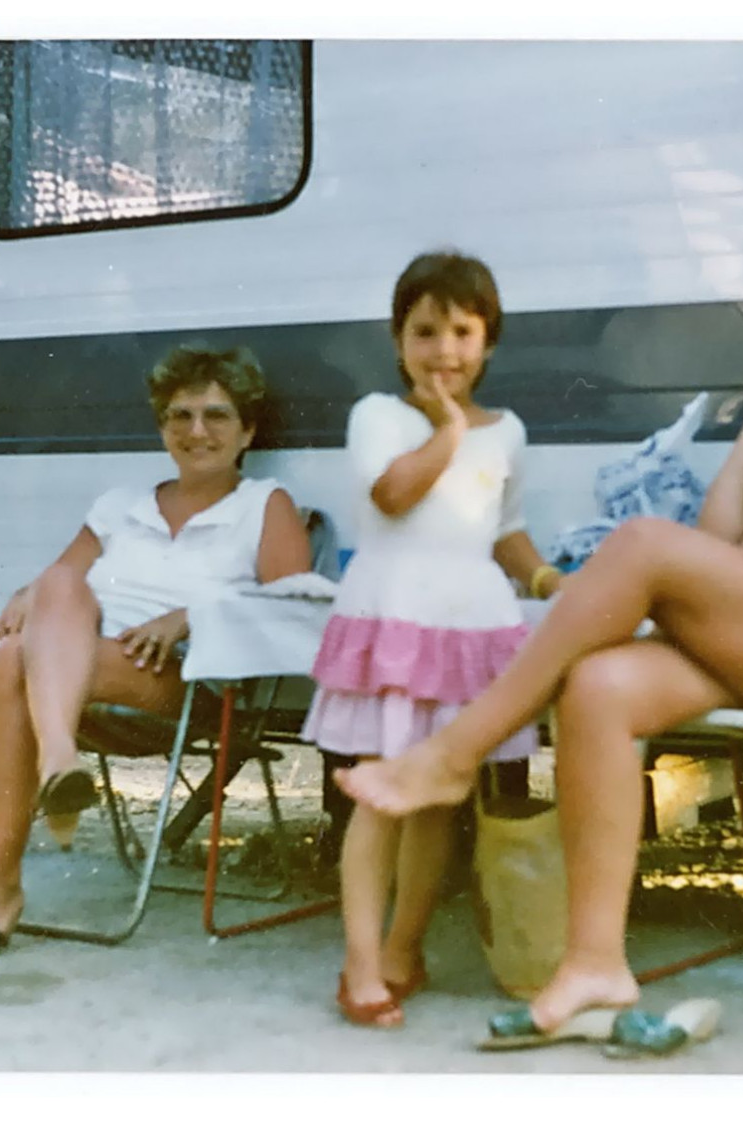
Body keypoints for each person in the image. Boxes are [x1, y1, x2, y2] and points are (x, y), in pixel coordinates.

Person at [336, 231, 743, 1039]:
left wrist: (738, 599)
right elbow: (722, 549)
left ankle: (455, 750)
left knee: (644, 544)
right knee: (601, 682)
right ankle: (594, 962)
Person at [0, 345, 313, 961]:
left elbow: (291, 604)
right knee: (45, 600)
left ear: (247, 430)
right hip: (80, 674)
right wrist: (20, 599)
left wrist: (191, 615)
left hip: (181, 683)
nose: (196, 431)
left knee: (13, 660)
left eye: (216, 415)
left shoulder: (264, 504)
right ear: (162, 427)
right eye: (179, 416)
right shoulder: (117, 507)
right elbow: (45, 593)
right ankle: (59, 757)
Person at [303, 250, 563, 1028]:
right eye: (424, 331)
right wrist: (449, 426)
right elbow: (393, 490)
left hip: (471, 625)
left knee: (434, 802)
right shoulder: (379, 416)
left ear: (488, 341)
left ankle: (403, 948)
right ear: (397, 340)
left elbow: (504, 527)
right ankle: (358, 961)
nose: (443, 349)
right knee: (381, 795)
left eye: (461, 330)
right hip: (395, 616)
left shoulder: (509, 431)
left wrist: (549, 581)